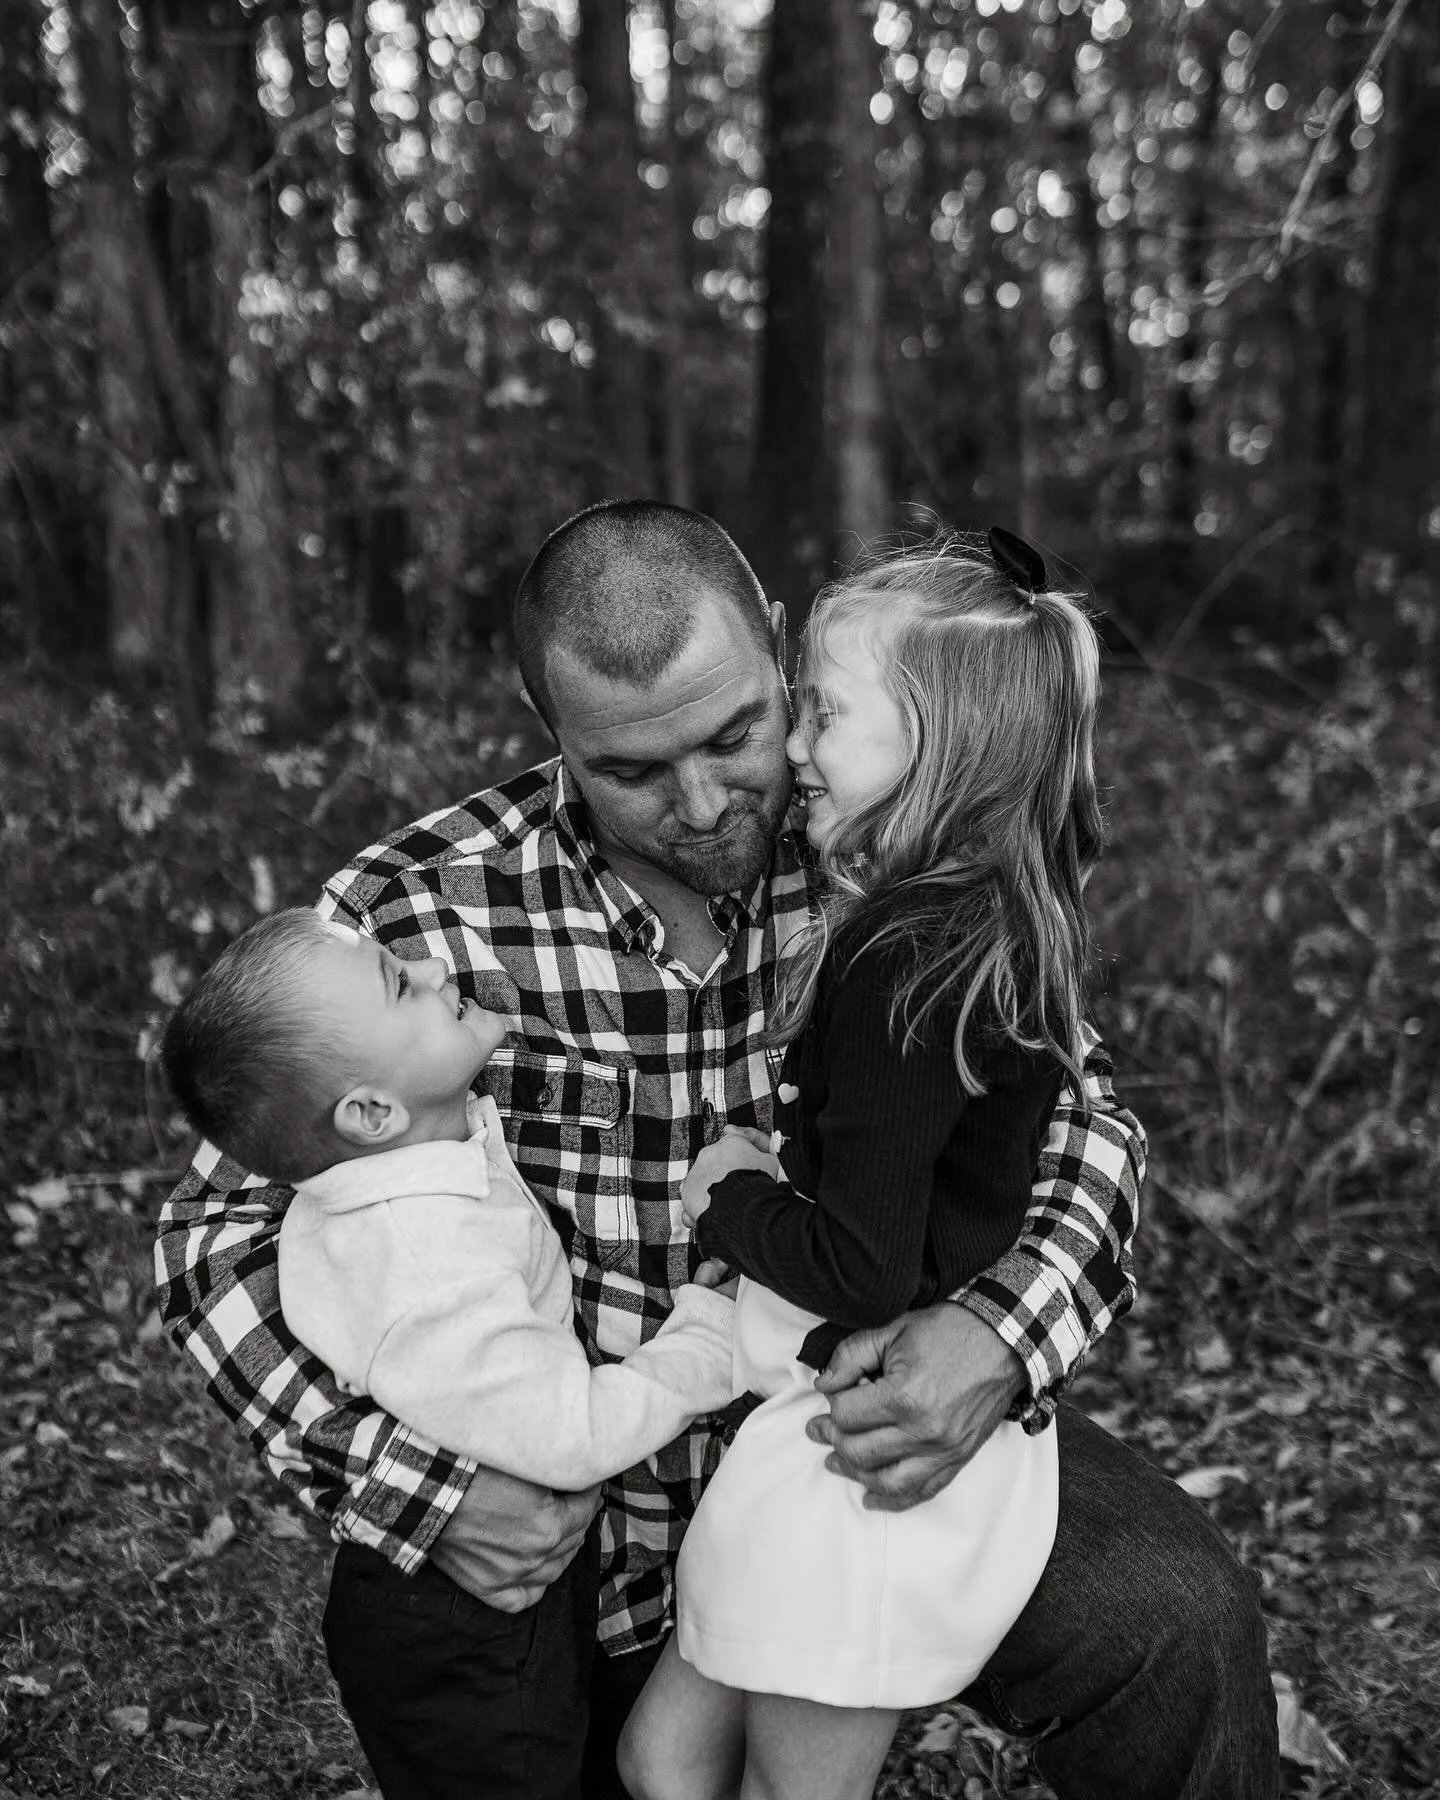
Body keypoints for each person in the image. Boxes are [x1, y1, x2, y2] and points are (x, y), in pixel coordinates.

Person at [155, 500, 1278, 1800]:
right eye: (631, 770)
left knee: (1179, 1620)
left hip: (848, 1441)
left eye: (737, 732)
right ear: (547, 727)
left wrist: (1003, 1333)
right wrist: (425, 1489)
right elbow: (212, 1244)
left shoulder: (896, 832)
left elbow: (1085, 1118)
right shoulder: (412, 915)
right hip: (568, 1504)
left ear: (781, 651)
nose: (702, 803)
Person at [618, 536, 1095, 1800]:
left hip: (865, 1462)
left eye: (828, 712)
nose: (801, 749)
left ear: (938, 749)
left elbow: (866, 1265)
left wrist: (732, 1196)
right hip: (815, 1428)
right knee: (660, 1758)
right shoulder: (987, 914)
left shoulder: (911, 959)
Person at [157, 906, 739, 1798]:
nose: (432, 968)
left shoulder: (381, 1179)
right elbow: (572, 1432)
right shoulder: (429, 1257)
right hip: (472, 1624)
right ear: (371, 1110)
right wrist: (704, 1338)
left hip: (436, 1602)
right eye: (401, 985)